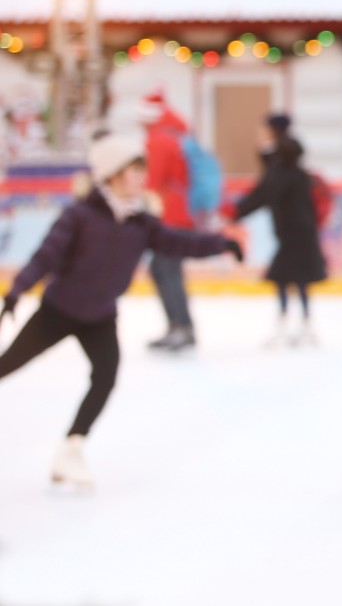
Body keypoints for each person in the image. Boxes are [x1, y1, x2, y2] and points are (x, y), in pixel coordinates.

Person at [0, 135, 241, 488]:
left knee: (106, 375)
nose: (142, 177)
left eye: (142, 169)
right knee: (8, 364)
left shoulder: (140, 222)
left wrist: (222, 243)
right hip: (60, 309)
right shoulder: (80, 215)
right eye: (135, 169)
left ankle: (72, 448)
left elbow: (179, 242)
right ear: (113, 173)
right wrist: (17, 291)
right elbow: (46, 256)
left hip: (99, 315)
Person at [229, 114, 327, 347]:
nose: (259, 132)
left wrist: (235, 211)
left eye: (263, 128)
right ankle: (301, 324)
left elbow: (265, 192)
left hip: (296, 229)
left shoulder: (281, 161)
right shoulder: (283, 158)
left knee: (286, 276)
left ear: (272, 131)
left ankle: (296, 325)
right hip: (296, 228)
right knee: (294, 277)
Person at [138, 91, 200, 352]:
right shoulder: (174, 135)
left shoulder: (159, 140)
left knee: (166, 269)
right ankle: (179, 325)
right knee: (165, 269)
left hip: (171, 215)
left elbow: (153, 180)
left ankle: (180, 327)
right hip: (181, 213)